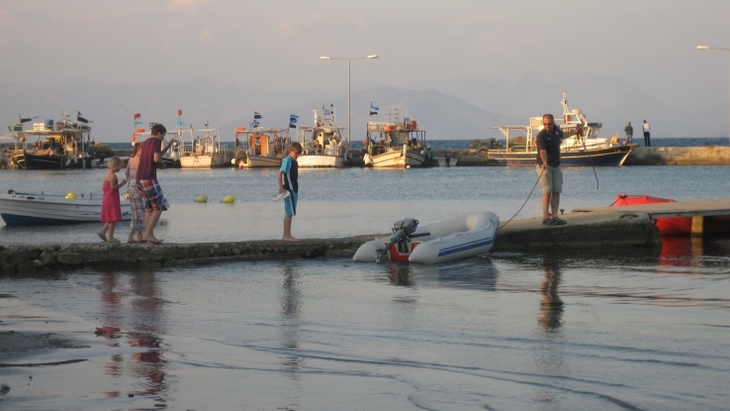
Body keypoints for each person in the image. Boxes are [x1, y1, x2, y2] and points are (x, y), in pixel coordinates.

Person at [137, 123, 173, 244]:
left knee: (148, 208)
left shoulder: (146, 142)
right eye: (163, 136)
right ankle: (148, 234)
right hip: (149, 178)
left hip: (140, 179)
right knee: (158, 207)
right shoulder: (156, 141)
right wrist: (162, 164)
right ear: (159, 133)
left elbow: (155, 155)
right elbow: (156, 159)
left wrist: (168, 146)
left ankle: (147, 235)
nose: (163, 138)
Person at [536, 113, 566, 226]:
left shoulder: (557, 131)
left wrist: (576, 132)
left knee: (556, 190)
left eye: (549, 124)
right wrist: (545, 162)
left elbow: (563, 135)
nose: (547, 126)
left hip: (556, 165)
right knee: (547, 191)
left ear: (553, 123)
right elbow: (542, 151)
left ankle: (555, 216)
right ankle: (545, 217)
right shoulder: (541, 135)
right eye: (545, 124)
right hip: (545, 166)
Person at [97, 156, 127, 243]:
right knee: (113, 218)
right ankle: (110, 237)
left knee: (110, 217)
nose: (120, 168)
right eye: (119, 166)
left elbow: (103, 187)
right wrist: (122, 184)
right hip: (112, 199)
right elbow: (113, 187)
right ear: (115, 165)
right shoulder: (113, 176)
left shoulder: (106, 174)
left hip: (106, 197)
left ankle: (102, 232)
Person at [278, 142, 303, 241]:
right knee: (289, 213)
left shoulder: (293, 161)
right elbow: (280, 173)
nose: (297, 156)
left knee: (290, 212)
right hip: (289, 190)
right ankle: (287, 236)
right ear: (291, 151)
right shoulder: (287, 160)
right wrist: (281, 186)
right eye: (296, 154)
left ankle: (286, 235)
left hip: (293, 189)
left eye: (298, 154)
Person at [125, 143, 144, 243]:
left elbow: (126, 172)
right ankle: (131, 236)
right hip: (137, 185)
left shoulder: (131, 159)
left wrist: (129, 182)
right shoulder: (139, 160)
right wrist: (140, 185)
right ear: (139, 149)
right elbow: (137, 174)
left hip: (130, 185)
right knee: (140, 211)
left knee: (135, 211)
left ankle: (139, 235)